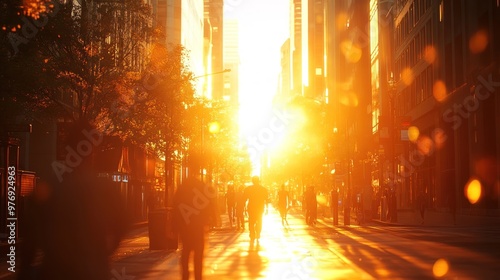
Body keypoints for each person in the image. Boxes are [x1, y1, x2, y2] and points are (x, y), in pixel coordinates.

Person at [18, 120, 129, 280]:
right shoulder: (105, 189)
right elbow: (121, 225)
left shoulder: (47, 189)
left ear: (66, 149)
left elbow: (29, 244)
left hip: (55, 271)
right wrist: (102, 252)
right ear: (92, 151)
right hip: (93, 272)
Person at [173, 171, 215, 280]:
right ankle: (198, 276)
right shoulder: (202, 186)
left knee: (186, 252)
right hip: (198, 227)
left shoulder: (182, 187)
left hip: (185, 227)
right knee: (198, 255)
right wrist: (209, 220)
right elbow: (209, 205)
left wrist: (175, 226)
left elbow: (176, 207)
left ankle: (185, 276)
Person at [243, 176, 268, 243]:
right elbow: (266, 199)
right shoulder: (263, 189)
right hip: (260, 208)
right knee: (259, 220)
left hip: (251, 208)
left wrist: (244, 208)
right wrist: (267, 208)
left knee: (251, 221)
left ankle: (252, 234)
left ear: (252, 181)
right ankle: (258, 232)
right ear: (258, 181)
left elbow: (244, 199)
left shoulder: (248, 189)